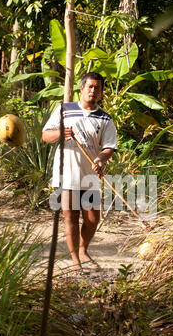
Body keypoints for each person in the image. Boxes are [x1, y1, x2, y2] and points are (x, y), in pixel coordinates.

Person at [42, 72, 117, 271]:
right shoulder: (64, 110)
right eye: (90, 87)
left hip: (90, 176)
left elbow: (109, 146)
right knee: (71, 217)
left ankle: (83, 250)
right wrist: (60, 133)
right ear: (82, 88)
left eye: (97, 88)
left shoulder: (105, 119)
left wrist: (101, 159)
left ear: (101, 93)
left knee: (93, 219)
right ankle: (75, 259)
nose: (93, 91)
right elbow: (46, 135)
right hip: (67, 174)